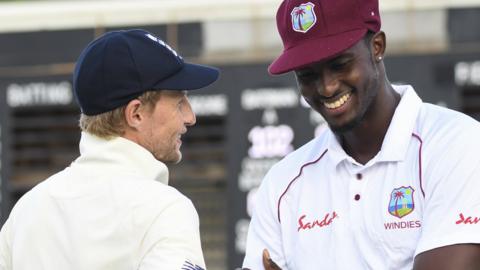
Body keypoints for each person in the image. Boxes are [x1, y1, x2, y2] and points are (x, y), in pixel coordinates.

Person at [242, 0, 480, 269]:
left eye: (340, 64)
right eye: (307, 75)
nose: (327, 87)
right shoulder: (281, 183)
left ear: (377, 46)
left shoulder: (458, 145)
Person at [0, 29, 219, 270]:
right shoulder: (165, 209)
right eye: (179, 102)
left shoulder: (27, 210)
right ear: (136, 113)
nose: (190, 117)